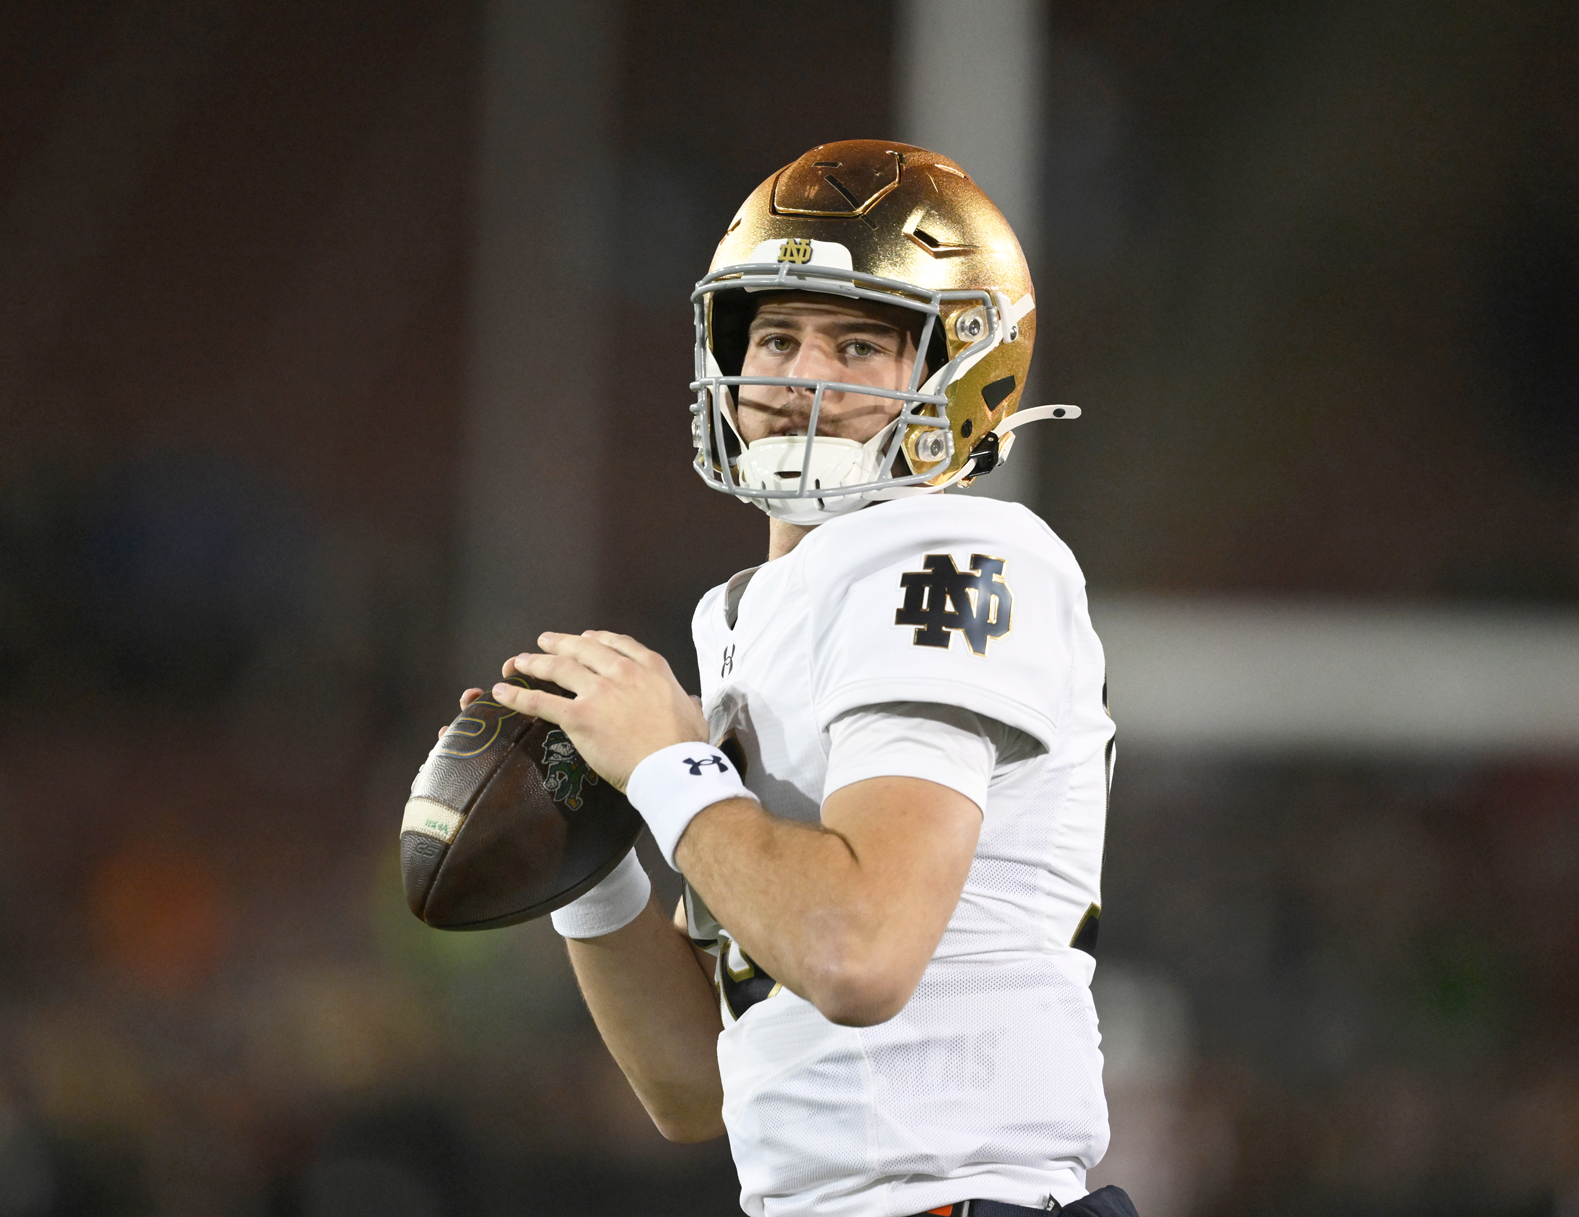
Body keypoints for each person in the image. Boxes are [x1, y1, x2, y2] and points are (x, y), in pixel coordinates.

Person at [469, 141, 1129, 1217]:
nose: (794, 377)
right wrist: (584, 857)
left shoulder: (949, 547)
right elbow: (695, 1086)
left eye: (858, 343)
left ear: (964, 368)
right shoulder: (754, 609)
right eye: (773, 335)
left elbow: (855, 953)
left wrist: (668, 766)